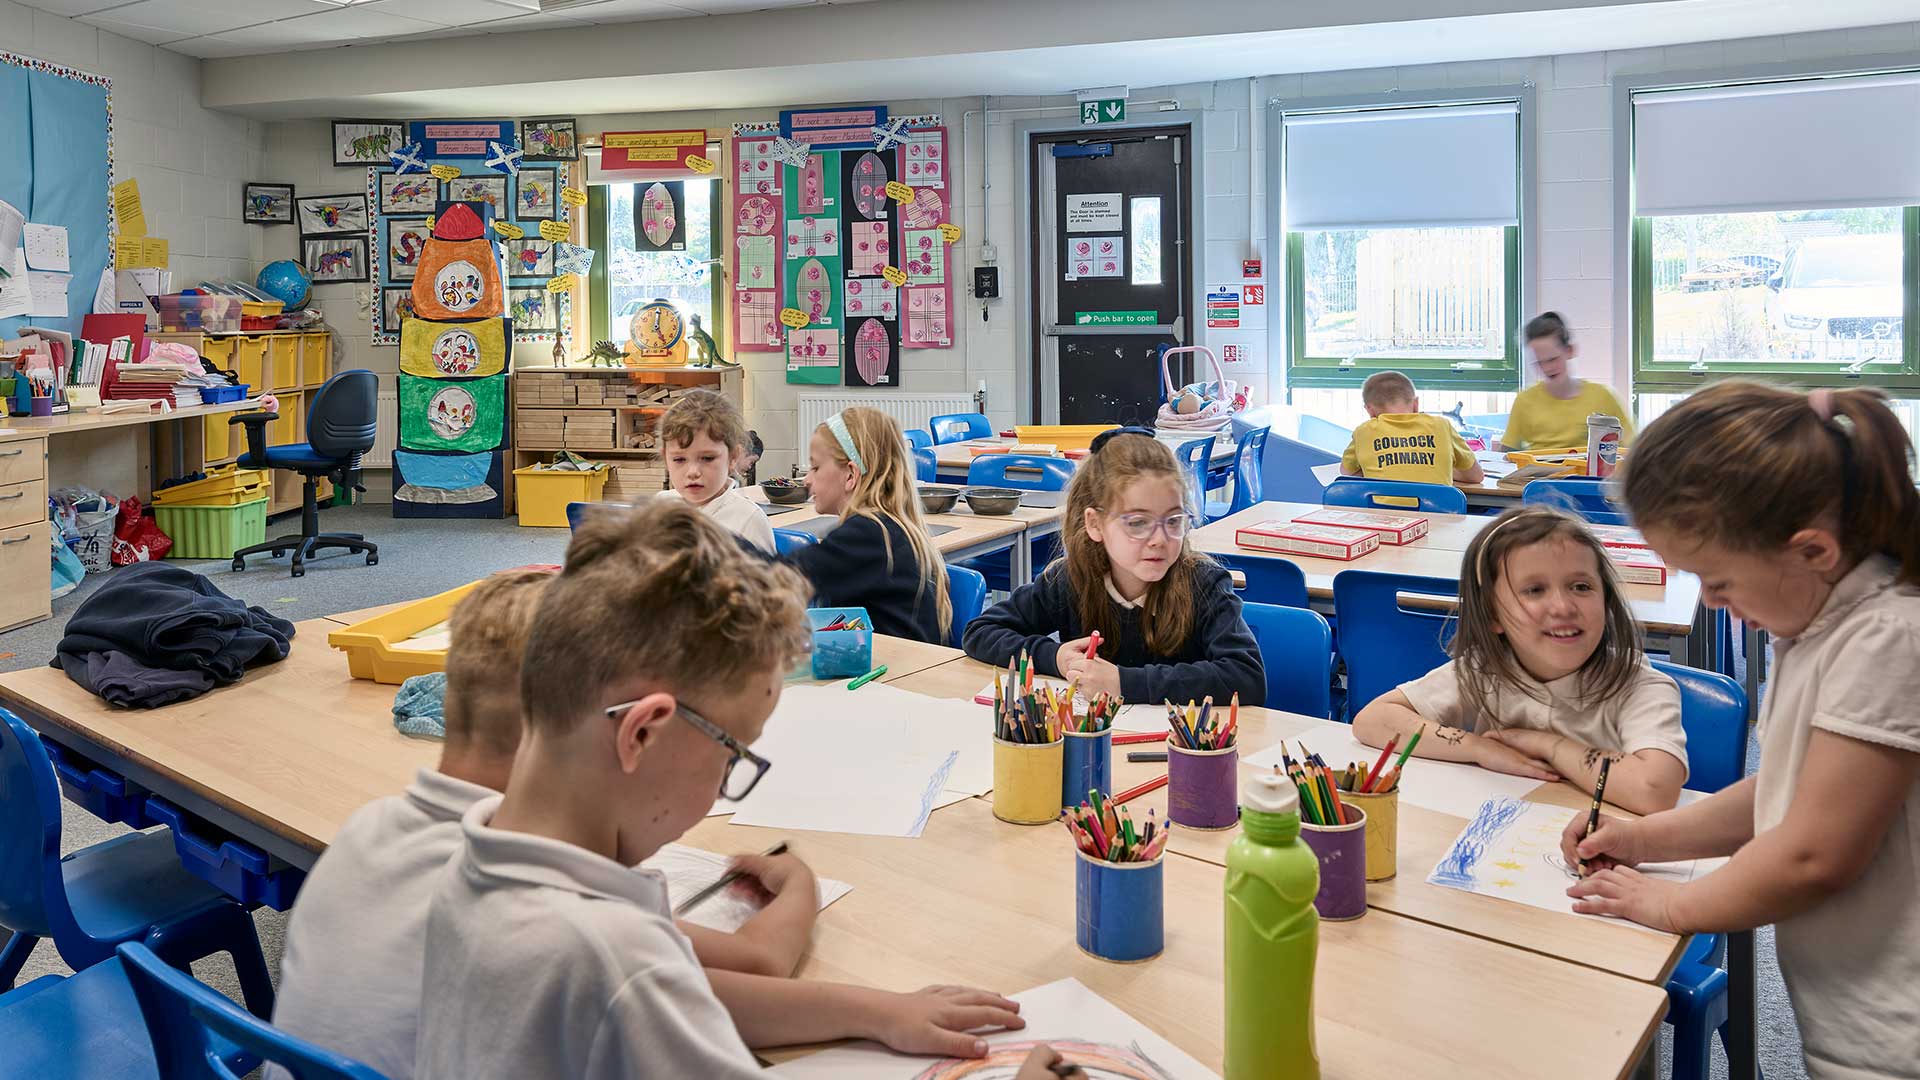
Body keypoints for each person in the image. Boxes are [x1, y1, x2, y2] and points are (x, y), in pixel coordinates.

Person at [416, 502, 1076, 1080]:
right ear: (642, 733)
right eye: (733, 754)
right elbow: (650, 984)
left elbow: (687, 992)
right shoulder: (612, 965)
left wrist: (878, 1012)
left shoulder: (469, 859)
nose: (722, 790)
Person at [268, 568, 822, 1079]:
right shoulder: (553, 913)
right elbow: (743, 969)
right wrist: (799, 882)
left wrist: (884, 1015)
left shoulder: (372, 826)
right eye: (728, 757)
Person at [1562, 382, 1920, 1080]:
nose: (1712, 603)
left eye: (1718, 581)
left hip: (1895, 1033)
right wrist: (1643, 838)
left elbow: (1813, 854)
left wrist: (1671, 905)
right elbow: (1785, 792)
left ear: (1812, 551)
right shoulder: (1822, 622)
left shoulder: (1885, 636)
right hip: (1854, 1008)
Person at [1353, 506, 1687, 813]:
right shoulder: (1486, 668)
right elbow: (1375, 719)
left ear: (1606, 599)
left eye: (1581, 587)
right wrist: (1478, 749)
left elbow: (1654, 790)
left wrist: (1549, 746)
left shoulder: (1638, 685)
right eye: (1534, 590)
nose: (1563, 607)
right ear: (1493, 615)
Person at [963, 428, 1265, 705]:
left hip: (1175, 750)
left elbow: (1247, 678)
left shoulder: (1204, 583)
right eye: (1137, 523)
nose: (1159, 539)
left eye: (1173, 521)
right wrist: (1054, 657)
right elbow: (981, 631)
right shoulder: (1070, 579)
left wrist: (1124, 683)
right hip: (1092, 740)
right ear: (1095, 524)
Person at [788, 407, 950, 643]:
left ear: (851, 475)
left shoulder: (869, 534)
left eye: (815, 467)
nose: (807, 480)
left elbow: (786, 576)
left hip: (897, 676)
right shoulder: (885, 527)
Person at [656, 389, 775, 553]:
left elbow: (765, 577)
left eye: (707, 458)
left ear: (733, 457)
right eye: (679, 459)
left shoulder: (748, 519)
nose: (693, 472)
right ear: (666, 459)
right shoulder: (659, 508)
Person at [1498, 312, 1634, 451]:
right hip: (1538, 472)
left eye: (1553, 359)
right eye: (1539, 363)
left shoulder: (1603, 397)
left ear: (1569, 351)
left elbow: (1632, 447)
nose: (1547, 368)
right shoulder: (1525, 401)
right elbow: (1506, 452)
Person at [1341, 370, 1484, 486]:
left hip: (1383, 516)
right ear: (1416, 404)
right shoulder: (1441, 425)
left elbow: (1346, 472)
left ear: (1370, 410)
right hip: (1438, 514)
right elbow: (1476, 476)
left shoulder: (1364, 431)